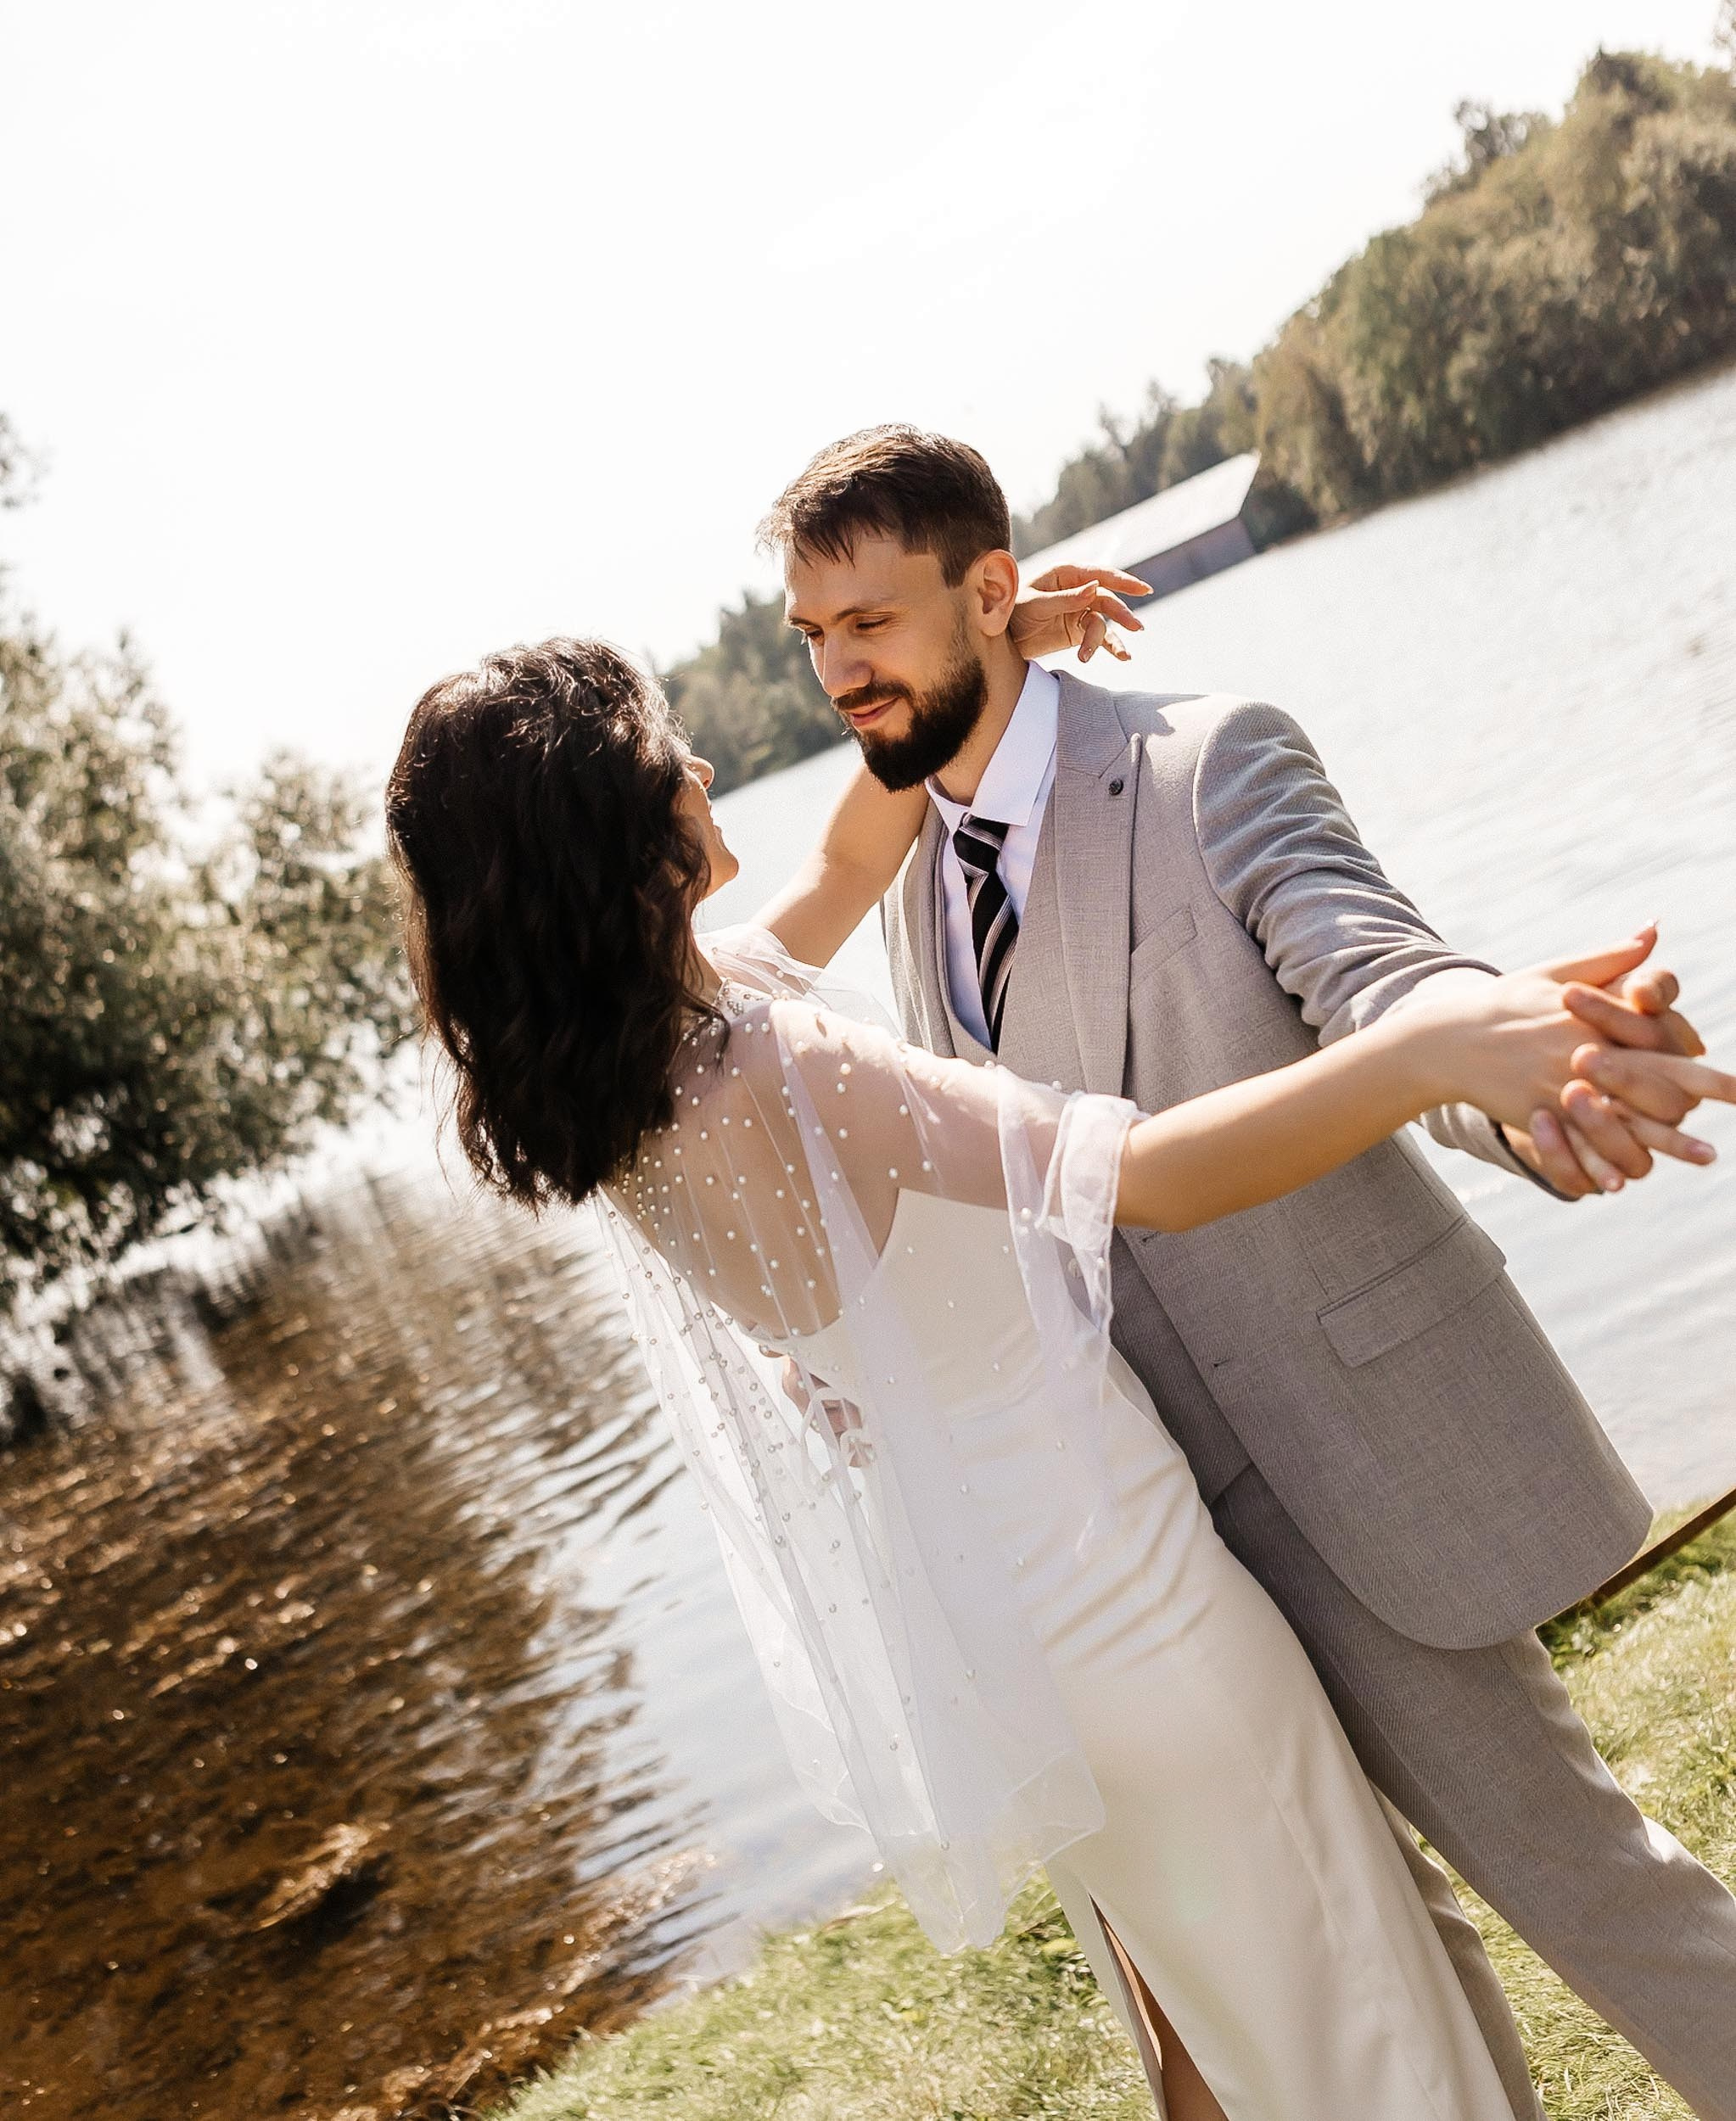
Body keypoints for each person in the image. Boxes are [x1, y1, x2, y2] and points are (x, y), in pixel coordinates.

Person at [385, 630, 1734, 2120]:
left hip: (999, 1626)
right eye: (667, 756)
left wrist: (976, 651)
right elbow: (1147, 1174)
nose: (703, 767)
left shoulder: (632, 1089)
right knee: (1358, 2016)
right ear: (614, 839)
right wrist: (1424, 1046)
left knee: (1257, 2024)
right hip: (1132, 1600)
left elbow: (847, 856)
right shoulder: (779, 1066)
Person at [748, 423, 1736, 2121]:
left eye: (875, 622)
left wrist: (1540, 1074)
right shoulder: (907, 854)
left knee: (1594, 1890)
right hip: (1137, 1549)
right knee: (1381, 1968)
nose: (843, 668)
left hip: (1347, 1474)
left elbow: (1378, 975)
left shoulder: (1212, 764)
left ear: (992, 593)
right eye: (813, 635)